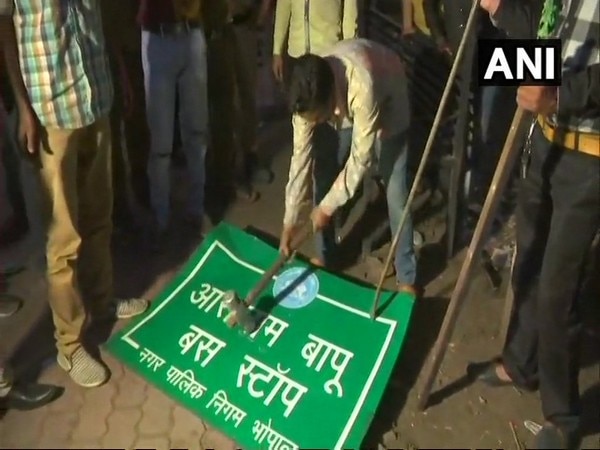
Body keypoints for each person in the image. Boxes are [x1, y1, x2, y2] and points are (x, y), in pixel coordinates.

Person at [1, 0, 149, 388]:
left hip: (95, 100)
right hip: (50, 113)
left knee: (101, 217)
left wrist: (116, 75)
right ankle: (69, 345)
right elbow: (4, 27)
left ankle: (101, 303)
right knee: (64, 240)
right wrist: (23, 107)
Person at [472, 0, 600, 447]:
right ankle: (520, 363)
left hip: (589, 155)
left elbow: (563, 77)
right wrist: (501, 8)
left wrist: (563, 94)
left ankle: (562, 416)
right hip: (543, 137)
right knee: (528, 257)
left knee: (557, 288)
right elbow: (545, 34)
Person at [280, 39, 418, 294]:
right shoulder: (305, 98)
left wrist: (326, 208)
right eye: (313, 120)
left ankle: (407, 276)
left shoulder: (362, 85)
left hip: (388, 95)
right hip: (345, 105)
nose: (317, 122)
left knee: (396, 192)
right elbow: (300, 159)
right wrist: (291, 220)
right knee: (322, 173)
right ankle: (325, 256)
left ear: (329, 99)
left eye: (319, 117)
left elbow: (360, 160)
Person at [139, 0, 209, 246]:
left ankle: (197, 209)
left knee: (197, 132)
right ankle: (161, 219)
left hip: (192, 32)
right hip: (158, 38)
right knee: (160, 143)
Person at [101, 0, 151, 230]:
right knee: (111, 142)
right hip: (107, 55)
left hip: (135, 46)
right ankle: (121, 211)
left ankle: (142, 196)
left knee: (139, 129)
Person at [272, 0, 359, 84]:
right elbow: (283, 8)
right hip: (297, 56)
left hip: (328, 57)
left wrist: (350, 56)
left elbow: (350, 16)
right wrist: (277, 51)